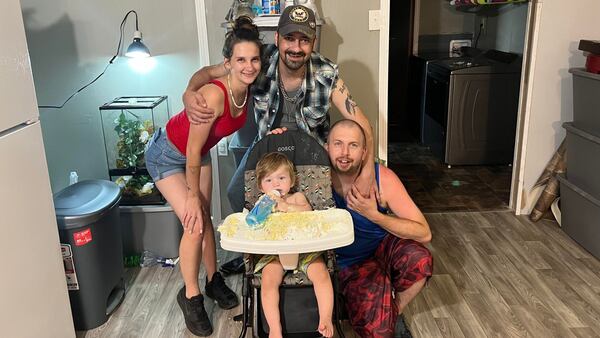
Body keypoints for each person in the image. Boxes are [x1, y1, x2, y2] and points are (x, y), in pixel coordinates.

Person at [182, 5, 375, 213]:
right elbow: (209, 72)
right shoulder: (258, 62)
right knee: (236, 194)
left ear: (313, 43)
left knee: (317, 206)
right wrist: (189, 92)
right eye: (289, 38)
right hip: (267, 145)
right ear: (277, 38)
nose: (296, 47)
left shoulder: (325, 73)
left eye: (304, 40)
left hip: (309, 151)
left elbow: (362, 123)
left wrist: (368, 172)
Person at [144, 17, 262, 337]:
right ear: (228, 63)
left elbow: (203, 72)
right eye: (240, 60)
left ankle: (213, 281)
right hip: (168, 155)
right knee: (194, 222)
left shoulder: (245, 85)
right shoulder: (215, 94)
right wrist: (192, 195)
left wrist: (188, 87)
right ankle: (191, 295)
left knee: (207, 218)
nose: (248, 66)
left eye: (253, 59)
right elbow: (191, 151)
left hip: (198, 153)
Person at [326, 119, 433, 338]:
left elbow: (424, 232)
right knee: (379, 331)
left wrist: (373, 215)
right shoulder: (317, 176)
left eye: (353, 145)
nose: (344, 152)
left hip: (381, 249)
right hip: (349, 264)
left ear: (364, 152)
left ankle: (394, 310)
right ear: (326, 146)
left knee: (420, 260)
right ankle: (383, 314)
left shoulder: (382, 178)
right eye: (338, 144)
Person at [251, 152, 334, 338]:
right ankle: (274, 328)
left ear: (292, 180)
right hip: (274, 253)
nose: (276, 184)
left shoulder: (297, 198)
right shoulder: (262, 204)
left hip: (304, 251)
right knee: (268, 281)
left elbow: (309, 213)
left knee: (322, 275)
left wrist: (286, 207)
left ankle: (326, 318)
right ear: (260, 186)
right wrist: (263, 211)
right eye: (269, 180)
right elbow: (253, 225)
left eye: (281, 178)